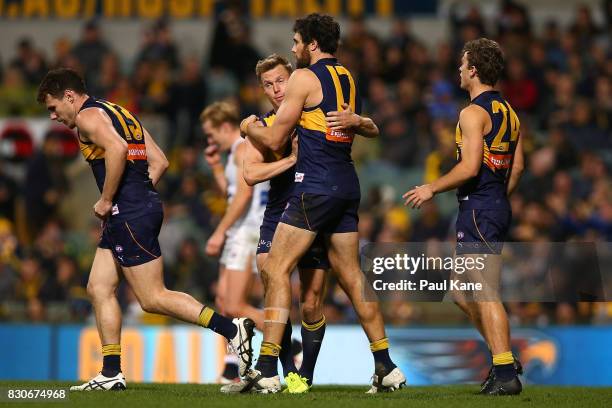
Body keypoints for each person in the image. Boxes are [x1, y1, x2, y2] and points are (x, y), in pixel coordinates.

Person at [36, 68, 255, 391]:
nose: (53, 116)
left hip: (128, 211)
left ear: (69, 96)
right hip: (134, 208)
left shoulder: (87, 118)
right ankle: (111, 371)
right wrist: (138, 194)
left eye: (54, 107)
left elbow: (117, 150)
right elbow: (161, 161)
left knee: (153, 298)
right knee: (98, 287)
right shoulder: (119, 112)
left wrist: (109, 199)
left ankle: (231, 329)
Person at [243, 14, 405, 394]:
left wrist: (248, 127)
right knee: (352, 278)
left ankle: (267, 366)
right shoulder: (348, 77)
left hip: (314, 186)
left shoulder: (303, 77)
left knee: (276, 269)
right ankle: (386, 365)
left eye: (297, 41)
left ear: (312, 43)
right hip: (347, 184)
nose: (294, 48)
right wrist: (361, 122)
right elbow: (364, 125)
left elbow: (274, 137)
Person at [403, 38, 525, 396]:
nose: (458, 69)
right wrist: (498, 200)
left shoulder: (472, 113)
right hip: (492, 205)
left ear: (473, 70)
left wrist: (431, 188)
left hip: (478, 207)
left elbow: (470, 167)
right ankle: (505, 359)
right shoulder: (510, 113)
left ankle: (504, 372)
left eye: (462, 64)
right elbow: (517, 167)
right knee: (460, 291)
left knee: (484, 291)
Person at [200, 101, 270, 383]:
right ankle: (232, 367)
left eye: (211, 133)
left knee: (235, 304)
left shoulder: (243, 149)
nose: (210, 139)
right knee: (223, 302)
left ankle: (289, 342)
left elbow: (243, 197)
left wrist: (219, 231)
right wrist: (216, 168)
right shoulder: (232, 154)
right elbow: (231, 192)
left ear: (225, 127)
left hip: (247, 230)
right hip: (239, 231)